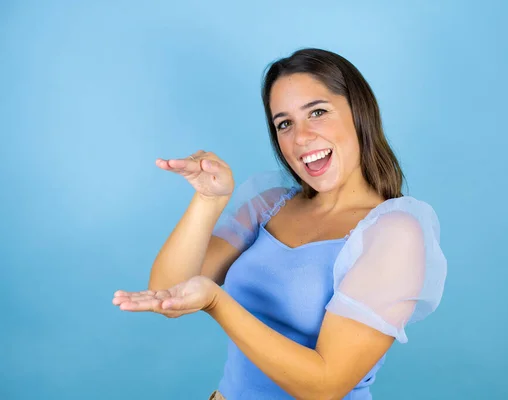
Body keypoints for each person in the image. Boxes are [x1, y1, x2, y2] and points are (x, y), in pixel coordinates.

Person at [112, 48, 447, 400]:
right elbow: (166, 291)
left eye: (317, 112)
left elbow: (325, 385)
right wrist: (208, 201)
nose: (300, 137)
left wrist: (217, 303)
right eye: (284, 123)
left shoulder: (393, 233)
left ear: (359, 112)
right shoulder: (271, 204)